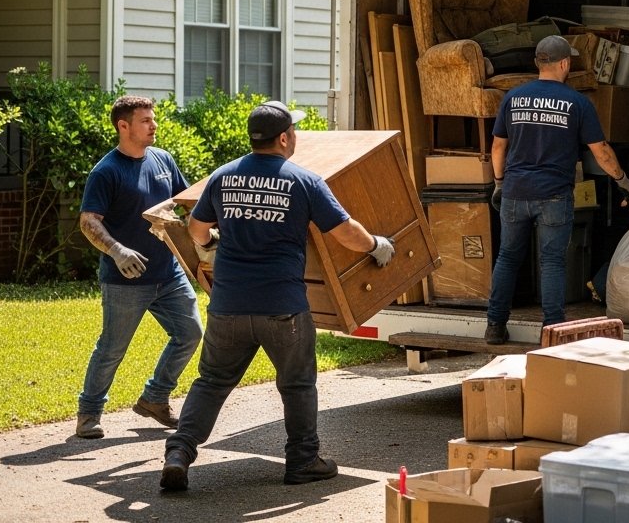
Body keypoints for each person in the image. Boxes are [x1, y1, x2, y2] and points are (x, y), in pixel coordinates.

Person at [160, 101, 395, 491]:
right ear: (284, 137)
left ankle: (179, 453)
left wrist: (216, 240)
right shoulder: (303, 181)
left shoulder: (223, 176)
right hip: (282, 309)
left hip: (228, 306)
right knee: (297, 384)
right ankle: (303, 461)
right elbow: (345, 232)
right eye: (294, 132)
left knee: (212, 381)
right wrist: (376, 245)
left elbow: (197, 230)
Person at [486, 35, 629, 344]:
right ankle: (552, 330)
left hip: (515, 191)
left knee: (508, 258)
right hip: (554, 195)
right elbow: (601, 151)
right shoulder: (578, 103)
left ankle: (495, 326)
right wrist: (623, 180)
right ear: (565, 63)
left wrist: (499, 183)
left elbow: (498, 146)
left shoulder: (512, 98)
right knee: (552, 261)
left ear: (537, 63)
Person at [75, 95, 203, 439]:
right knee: (112, 348)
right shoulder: (107, 171)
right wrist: (117, 251)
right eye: (146, 120)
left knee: (190, 333)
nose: (154, 125)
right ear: (124, 126)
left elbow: (184, 203)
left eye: (153, 119)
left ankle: (155, 398)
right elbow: (89, 221)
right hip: (125, 280)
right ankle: (88, 414)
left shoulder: (163, 160)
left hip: (169, 272)